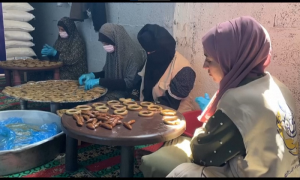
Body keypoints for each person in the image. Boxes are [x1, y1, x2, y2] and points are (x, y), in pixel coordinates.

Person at [140, 16, 300, 177]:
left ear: (231, 60)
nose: (204, 66)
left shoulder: (237, 99)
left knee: (178, 169)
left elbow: (201, 153)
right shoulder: (279, 87)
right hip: (289, 171)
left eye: (209, 60)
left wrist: (206, 127)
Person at [135, 24, 196, 113]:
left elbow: (169, 104)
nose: (148, 54)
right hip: (150, 113)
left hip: (174, 118)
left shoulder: (185, 71)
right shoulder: (152, 58)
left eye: (151, 51)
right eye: (147, 51)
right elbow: (141, 83)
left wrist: (145, 111)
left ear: (162, 48)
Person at [78, 23, 146, 101]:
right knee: (86, 93)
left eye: (107, 43)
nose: (105, 46)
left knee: (102, 101)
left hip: (127, 92)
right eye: (103, 43)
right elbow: (107, 72)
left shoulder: (133, 56)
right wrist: (93, 75)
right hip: (112, 88)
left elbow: (129, 83)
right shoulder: (113, 52)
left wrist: (100, 81)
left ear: (117, 40)